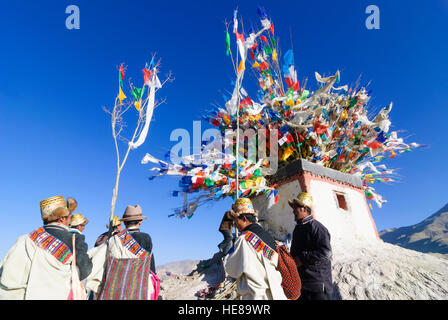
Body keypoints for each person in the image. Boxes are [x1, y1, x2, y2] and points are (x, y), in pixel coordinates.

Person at [0, 195, 92, 299]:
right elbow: (86, 269)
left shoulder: (26, 239)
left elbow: (9, 275)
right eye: (69, 216)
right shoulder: (74, 240)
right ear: (62, 218)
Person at [86, 205, 159, 299]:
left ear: (124, 222)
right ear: (140, 221)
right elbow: (151, 267)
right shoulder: (146, 238)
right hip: (139, 290)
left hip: (115, 290)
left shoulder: (114, 240)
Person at [224, 198, 287, 300]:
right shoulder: (267, 236)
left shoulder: (243, 239)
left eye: (236, 220)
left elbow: (232, 270)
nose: (234, 224)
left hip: (255, 296)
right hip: (276, 293)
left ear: (244, 218)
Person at [288, 192, 333, 300]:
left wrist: (302, 258)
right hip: (302, 284)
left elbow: (326, 253)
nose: (293, 211)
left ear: (303, 208)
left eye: (295, 208)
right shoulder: (298, 229)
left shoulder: (317, 228)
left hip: (318, 284)